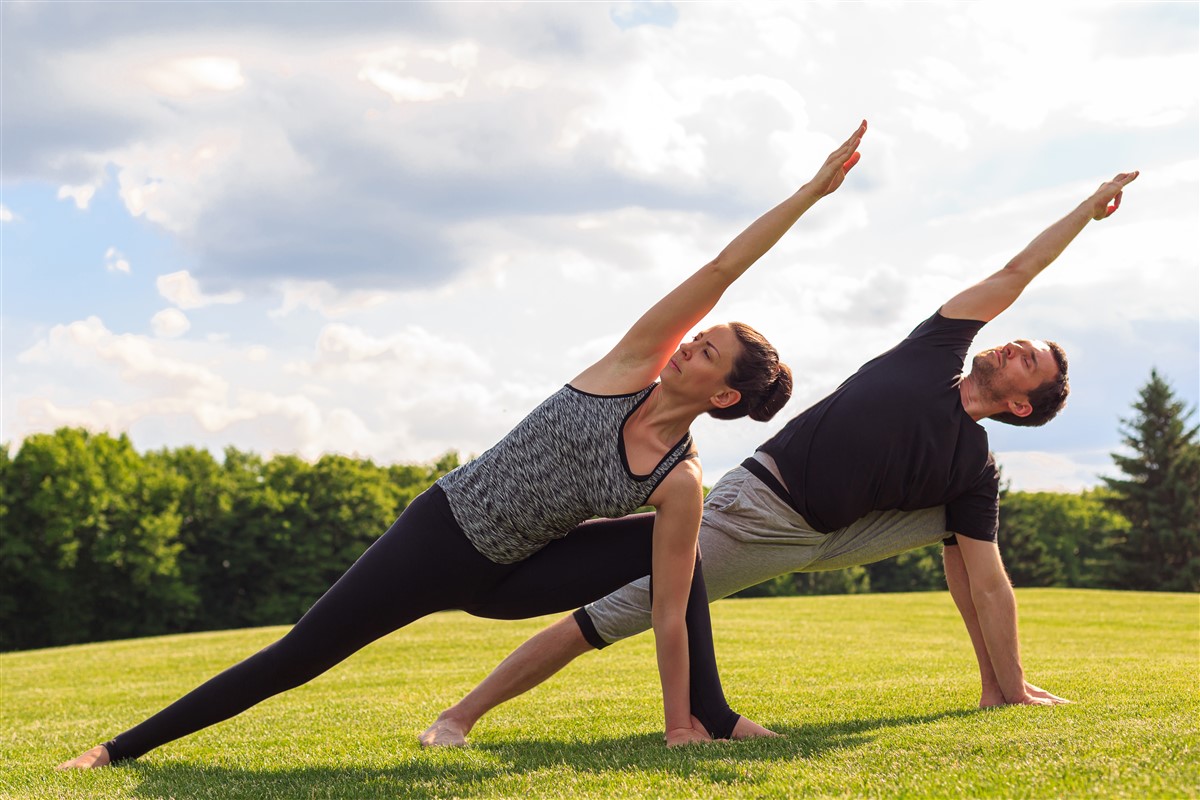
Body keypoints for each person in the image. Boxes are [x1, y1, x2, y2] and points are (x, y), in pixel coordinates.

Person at [57, 122, 872, 769]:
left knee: (678, 563)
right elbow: (725, 263)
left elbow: (667, 612)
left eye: (707, 350)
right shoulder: (631, 364)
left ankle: (711, 719)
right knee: (301, 655)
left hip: (515, 575)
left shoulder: (679, 478)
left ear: (724, 394)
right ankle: (118, 749)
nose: (691, 341)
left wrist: (675, 728)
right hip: (440, 532)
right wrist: (809, 191)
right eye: (698, 336)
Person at [419, 169, 1140, 746]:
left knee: (968, 529)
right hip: (758, 512)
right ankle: (460, 716)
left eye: (1030, 360)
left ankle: (998, 686)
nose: (1015, 345)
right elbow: (1017, 271)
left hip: (828, 535)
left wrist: (1011, 678)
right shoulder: (933, 352)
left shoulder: (974, 466)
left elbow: (987, 584)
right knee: (612, 615)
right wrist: (1083, 211)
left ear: (1023, 404)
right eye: (1021, 340)